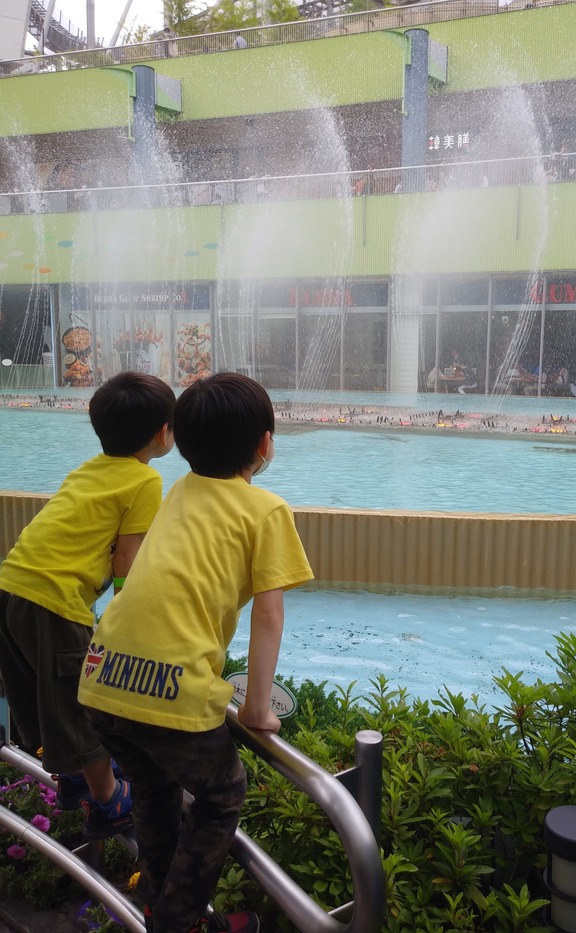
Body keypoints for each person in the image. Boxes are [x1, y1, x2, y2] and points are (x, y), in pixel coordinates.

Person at [78, 372, 314, 933]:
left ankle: (162, 902)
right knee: (221, 793)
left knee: (155, 793)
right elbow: (269, 613)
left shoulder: (177, 490)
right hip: (171, 691)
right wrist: (257, 710)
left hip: (101, 678)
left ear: (180, 441)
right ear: (264, 444)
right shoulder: (266, 511)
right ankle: (179, 921)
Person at [0, 371, 176, 839]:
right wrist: (127, 616)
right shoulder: (144, 481)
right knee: (79, 702)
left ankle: (74, 776)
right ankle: (109, 801)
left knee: (44, 697)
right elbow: (128, 556)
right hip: (54, 602)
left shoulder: (88, 468)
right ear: (163, 432)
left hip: (11, 585)